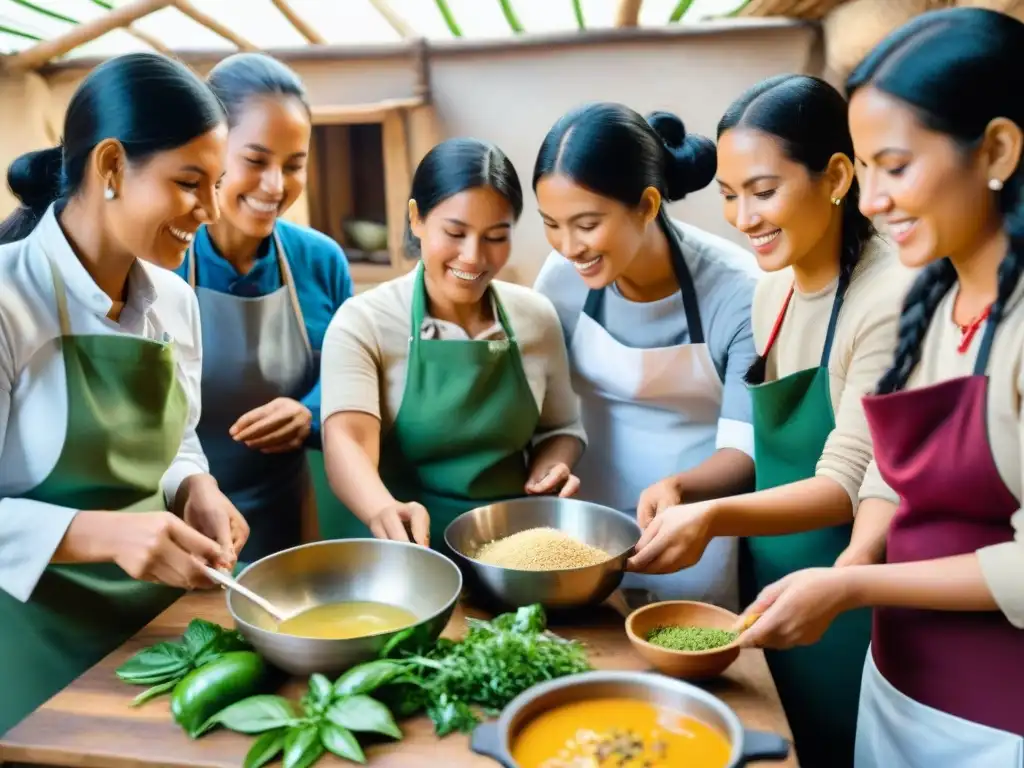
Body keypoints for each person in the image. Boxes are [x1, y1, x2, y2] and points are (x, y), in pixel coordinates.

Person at [732, 8, 1024, 766]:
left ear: (996, 148)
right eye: (866, 171)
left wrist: (855, 588)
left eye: (894, 167)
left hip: (998, 721)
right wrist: (856, 567)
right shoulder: (935, 303)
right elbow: (892, 473)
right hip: (894, 688)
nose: (868, 200)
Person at [627, 75, 914, 768]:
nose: (743, 217)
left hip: (845, 597)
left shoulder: (891, 298)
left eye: (763, 191)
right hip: (766, 595)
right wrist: (690, 490)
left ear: (838, 176)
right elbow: (772, 447)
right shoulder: (771, 292)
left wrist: (715, 518)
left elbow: (847, 481)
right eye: (728, 195)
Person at [0, 52, 248, 735]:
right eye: (190, 182)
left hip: (159, 631)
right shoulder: (7, 300)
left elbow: (178, 438)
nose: (211, 210)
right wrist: (103, 532)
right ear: (111, 166)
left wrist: (193, 486)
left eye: (217, 183)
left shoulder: (172, 296)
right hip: (32, 648)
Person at [533, 103, 760, 611]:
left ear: (648, 204)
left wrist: (678, 489)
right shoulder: (560, 281)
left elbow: (746, 449)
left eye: (587, 224)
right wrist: (552, 465)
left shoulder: (737, 290)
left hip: (690, 525)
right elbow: (549, 411)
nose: (569, 246)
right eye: (552, 224)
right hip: (579, 529)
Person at [319, 138, 585, 549]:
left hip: (508, 553)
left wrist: (552, 466)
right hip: (405, 551)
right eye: (455, 232)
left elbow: (562, 427)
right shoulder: (365, 321)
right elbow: (347, 441)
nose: (473, 257)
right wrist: (381, 509)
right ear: (416, 219)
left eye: (496, 236)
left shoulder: (536, 317)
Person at [173, 53, 353, 562]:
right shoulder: (163, 261)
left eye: (293, 165)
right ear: (210, 151)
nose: (276, 186)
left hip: (285, 525)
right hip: (174, 527)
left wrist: (309, 410)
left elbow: (353, 372)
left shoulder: (320, 261)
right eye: (255, 161)